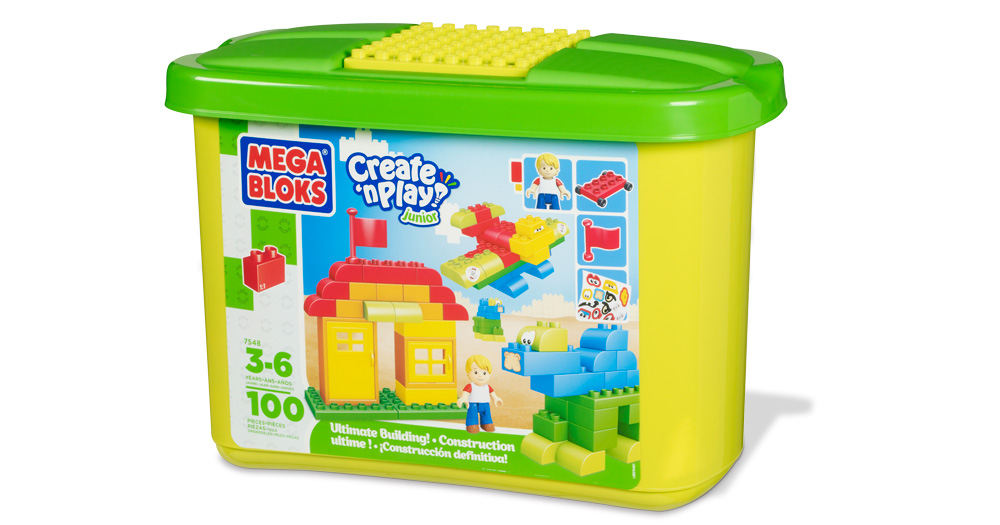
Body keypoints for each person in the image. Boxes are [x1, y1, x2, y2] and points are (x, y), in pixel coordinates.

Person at [458, 355, 503, 433]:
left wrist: (496, 398)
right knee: (472, 416)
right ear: (468, 374)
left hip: (485, 405)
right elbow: (465, 393)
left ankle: (486, 423)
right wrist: (463, 398)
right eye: (475, 372)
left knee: (487, 416)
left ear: (489, 374)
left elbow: (492, 393)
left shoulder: (487, 386)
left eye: (484, 373)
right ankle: (472, 425)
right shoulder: (470, 386)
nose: (480, 375)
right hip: (473, 405)